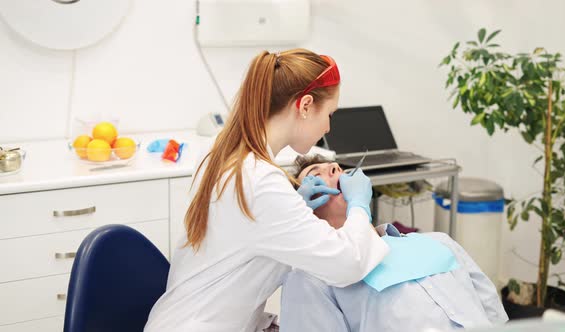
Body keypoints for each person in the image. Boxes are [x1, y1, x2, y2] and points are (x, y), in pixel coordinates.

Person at [144, 49, 389, 332]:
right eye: (330, 114)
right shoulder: (261, 181)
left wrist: (296, 208)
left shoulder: (223, 152)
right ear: (306, 105)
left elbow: (234, 258)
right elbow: (348, 264)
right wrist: (359, 205)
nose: (328, 127)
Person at [279, 155, 509, 332]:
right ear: (306, 207)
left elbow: (494, 312)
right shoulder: (313, 279)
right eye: (315, 174)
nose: (335, 168)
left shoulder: (439, 242)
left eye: (337, 167)